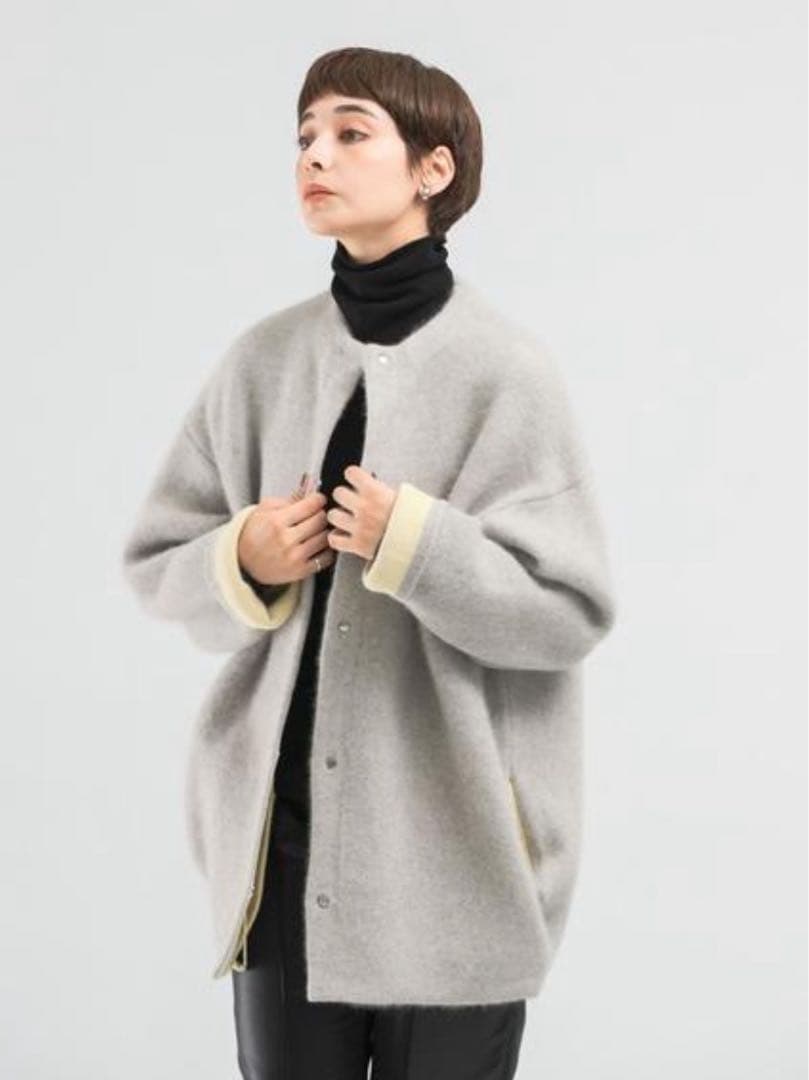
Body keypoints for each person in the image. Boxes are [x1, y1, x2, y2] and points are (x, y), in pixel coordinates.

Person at [122, 46, 617, 1080]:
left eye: (351, 132)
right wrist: (243, 557)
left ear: (434, 169)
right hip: (279, 856)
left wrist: (417, 546)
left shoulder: (505, 372)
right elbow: (158, 561)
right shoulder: (261, 362)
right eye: (305, 136)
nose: (315, 156)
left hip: (454, 859)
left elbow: (567, 614)